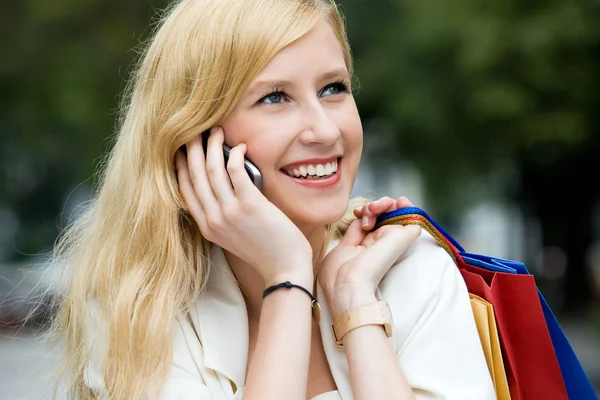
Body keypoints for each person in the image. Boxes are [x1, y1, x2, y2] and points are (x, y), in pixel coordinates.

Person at [49, 0, 496, 399]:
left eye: (333, 88)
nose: (324, 131)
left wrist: (357, 307)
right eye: (275, 97)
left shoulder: (413, 271)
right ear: (197, 140)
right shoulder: (137, 310)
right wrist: (287, 277)